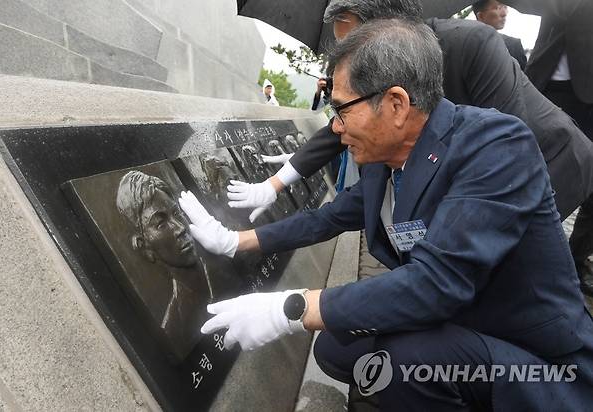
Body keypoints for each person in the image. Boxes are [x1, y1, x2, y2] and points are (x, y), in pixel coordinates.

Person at [180, 19, 593, 409]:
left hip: (533, 357)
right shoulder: (385, 161)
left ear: (395, 104)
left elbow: (435, 283)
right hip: (459, 322)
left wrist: (290, 308)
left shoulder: (497, 145)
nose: (336, 127)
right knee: (335, 348)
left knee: (404, 363)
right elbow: (328, 218)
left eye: (341, 109)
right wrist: (235, 242)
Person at [226, 0, 593, 289]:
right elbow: (343, 124)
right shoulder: (379, 85)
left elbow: (508, 147)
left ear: (388, 28)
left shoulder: (470, 45)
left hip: (549, 163)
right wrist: (274, 184)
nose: (349, 57)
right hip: (470, 172)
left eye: (355, 42)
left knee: (498, 280)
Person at [511, 0, 593, 295]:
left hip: (589, 94)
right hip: (545, 87)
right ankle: (523, 250)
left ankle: (576, 256)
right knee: (530, 171)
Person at [116, 170, 214, 361]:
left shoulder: (223, 266)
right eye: (161, 224)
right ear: (145, 247)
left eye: (176, 213)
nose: (180, 228)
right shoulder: (175, 328)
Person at [472, 0, 527, 69]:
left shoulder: (514, 45)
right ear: (481, 16)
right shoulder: (469, 47)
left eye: (505, 7)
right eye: (498, 8)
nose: (504, 13)